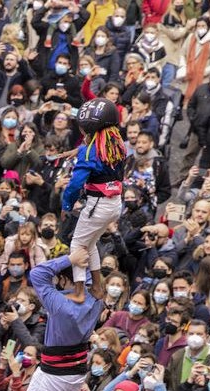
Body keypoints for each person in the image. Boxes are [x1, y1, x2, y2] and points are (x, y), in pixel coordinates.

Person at [15, 246, 104, 391]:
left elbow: (37, 274)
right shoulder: (96, 297)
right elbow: (96, 279)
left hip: (55, 372)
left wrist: (71, 259)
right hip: (74, 374)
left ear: (64, 279)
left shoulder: (61, 302)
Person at [62, 99, 129, 287]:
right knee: (90, 244)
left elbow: (75, 184)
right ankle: (98, 286)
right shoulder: (118, 145)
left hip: (97, 205)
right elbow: (93, 150)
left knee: (77, 246)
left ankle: (79, 289)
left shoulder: (90, 152)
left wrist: (67, 205)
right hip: (114, 203)